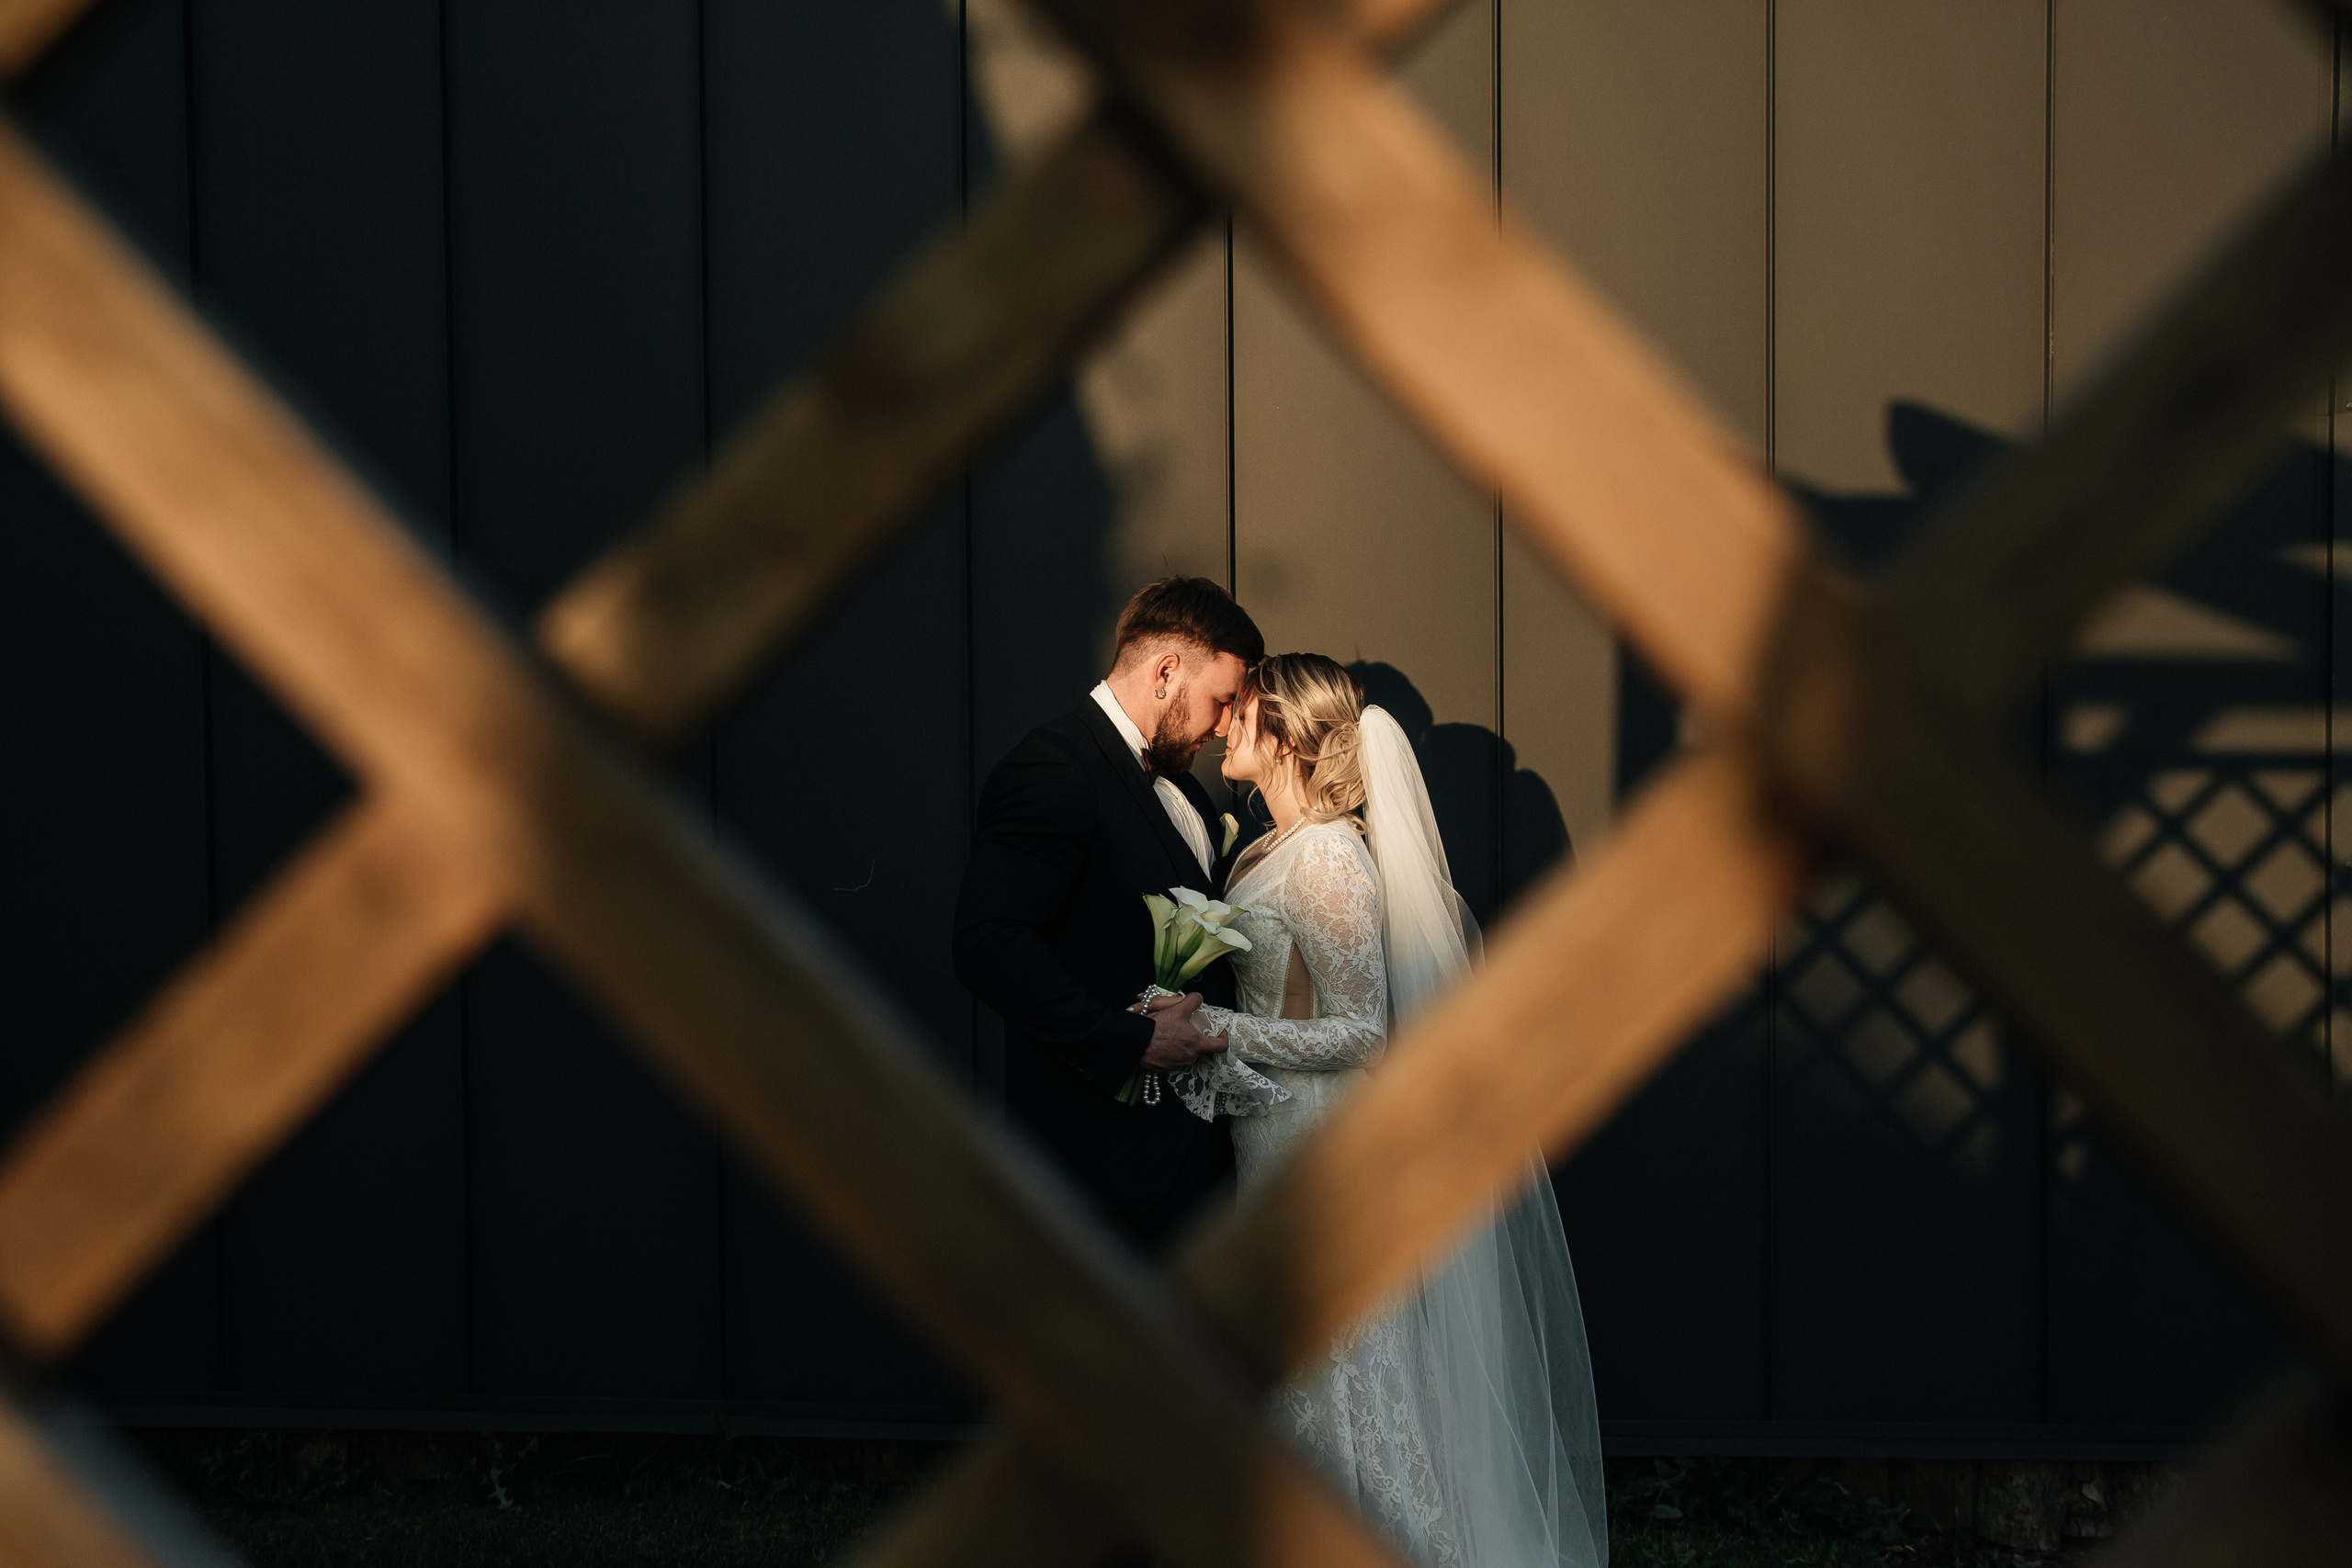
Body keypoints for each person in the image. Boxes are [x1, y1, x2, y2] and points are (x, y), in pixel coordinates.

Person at [1143, 652, 1608, 1568]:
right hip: (1269, 1138)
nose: (1228, 722)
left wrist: (1217, 1030)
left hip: (1320, 1150)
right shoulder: (1261, 846)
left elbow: (1360, 1032)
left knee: (1346, 1367)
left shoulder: (1327, 856)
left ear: (1283, 738)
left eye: (1247, 713)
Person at [952, 577, 1265, 1254]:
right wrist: (1127, 1042)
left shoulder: (1186, 792)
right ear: (1165, 671)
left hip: (1200, 1172)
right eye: (1221, 701)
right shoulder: (1053, 768)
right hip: (1102, 1173)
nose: (1222, 726)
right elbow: (988, 940)